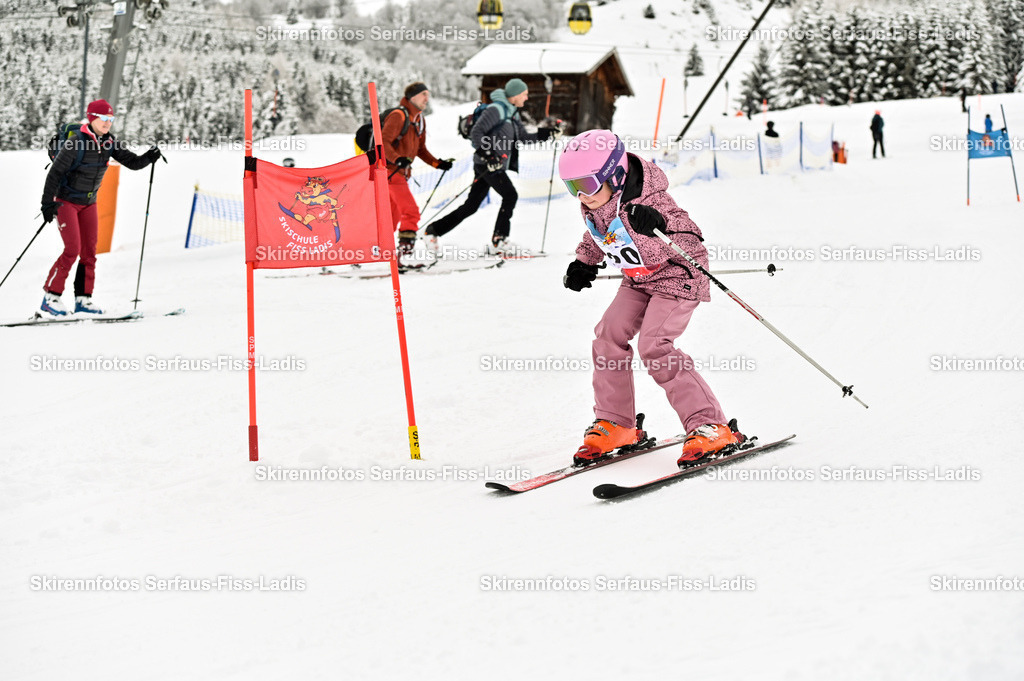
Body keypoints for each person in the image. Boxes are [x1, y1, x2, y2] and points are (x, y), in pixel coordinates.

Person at [559, 129, 742, 469]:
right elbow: (598, 234)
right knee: (608, 334)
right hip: (639, 278)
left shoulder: (651, 200)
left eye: (586, 184)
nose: (581, 195)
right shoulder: (597, 203)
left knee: (655, 345)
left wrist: (657, 226)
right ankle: (617, 424)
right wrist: (584, 262)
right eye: (572, 187)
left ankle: (710, 424)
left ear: (613, 175)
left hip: (678, 276)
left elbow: (689, 234)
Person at [40, 99, 160, 316]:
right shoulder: (75, 142)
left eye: (111, 119)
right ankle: (51, 297)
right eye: (104, 119)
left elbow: (131, 162)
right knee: (72, 250)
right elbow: (55, 172)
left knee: (89, 253)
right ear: (92, 118)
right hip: (66, 201)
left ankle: (83, 300)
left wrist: (148, 158)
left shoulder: (109, 142)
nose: (108, 123)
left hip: (89, 203)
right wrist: (47, 203)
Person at [423, 78, 558, 256]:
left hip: (495, 165)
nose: (527, 98)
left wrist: (546, 134)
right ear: (516, 94)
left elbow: (523, 138)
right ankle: (499, 240)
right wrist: (489, 155)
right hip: (487, 164)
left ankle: (432, 231)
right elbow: (476, 133)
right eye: (524, 94)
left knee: (471, 206)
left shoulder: (512, 114)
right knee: (510, 195)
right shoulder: (496, 110)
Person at [380, 82, 453, 266]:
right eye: (423, 94)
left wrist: (438, 164)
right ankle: (405, 255)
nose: (427, 99)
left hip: (402, 174)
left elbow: (420, 149)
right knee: (411, 213)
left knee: (392, 218)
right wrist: (397, 159)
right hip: (390, 173)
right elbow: (383, 143)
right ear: (412, 97)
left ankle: (366, 253)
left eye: (428, 94)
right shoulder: (398, 116)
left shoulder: (419, 120)